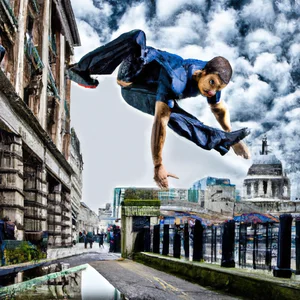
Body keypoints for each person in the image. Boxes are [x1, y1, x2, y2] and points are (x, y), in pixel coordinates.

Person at [68, 29, 250, 189]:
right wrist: (158, 164)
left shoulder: (212, 79)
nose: (212, 91)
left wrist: (232, 138)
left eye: (218, 88)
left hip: (152, 83)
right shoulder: (176, 78)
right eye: (211, 84)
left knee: (173, 110)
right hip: (132, 84)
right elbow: (161, 121)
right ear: (200, 73)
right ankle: (81, 70)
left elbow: (218, 109)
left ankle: (223, 140)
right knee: (136, 37)